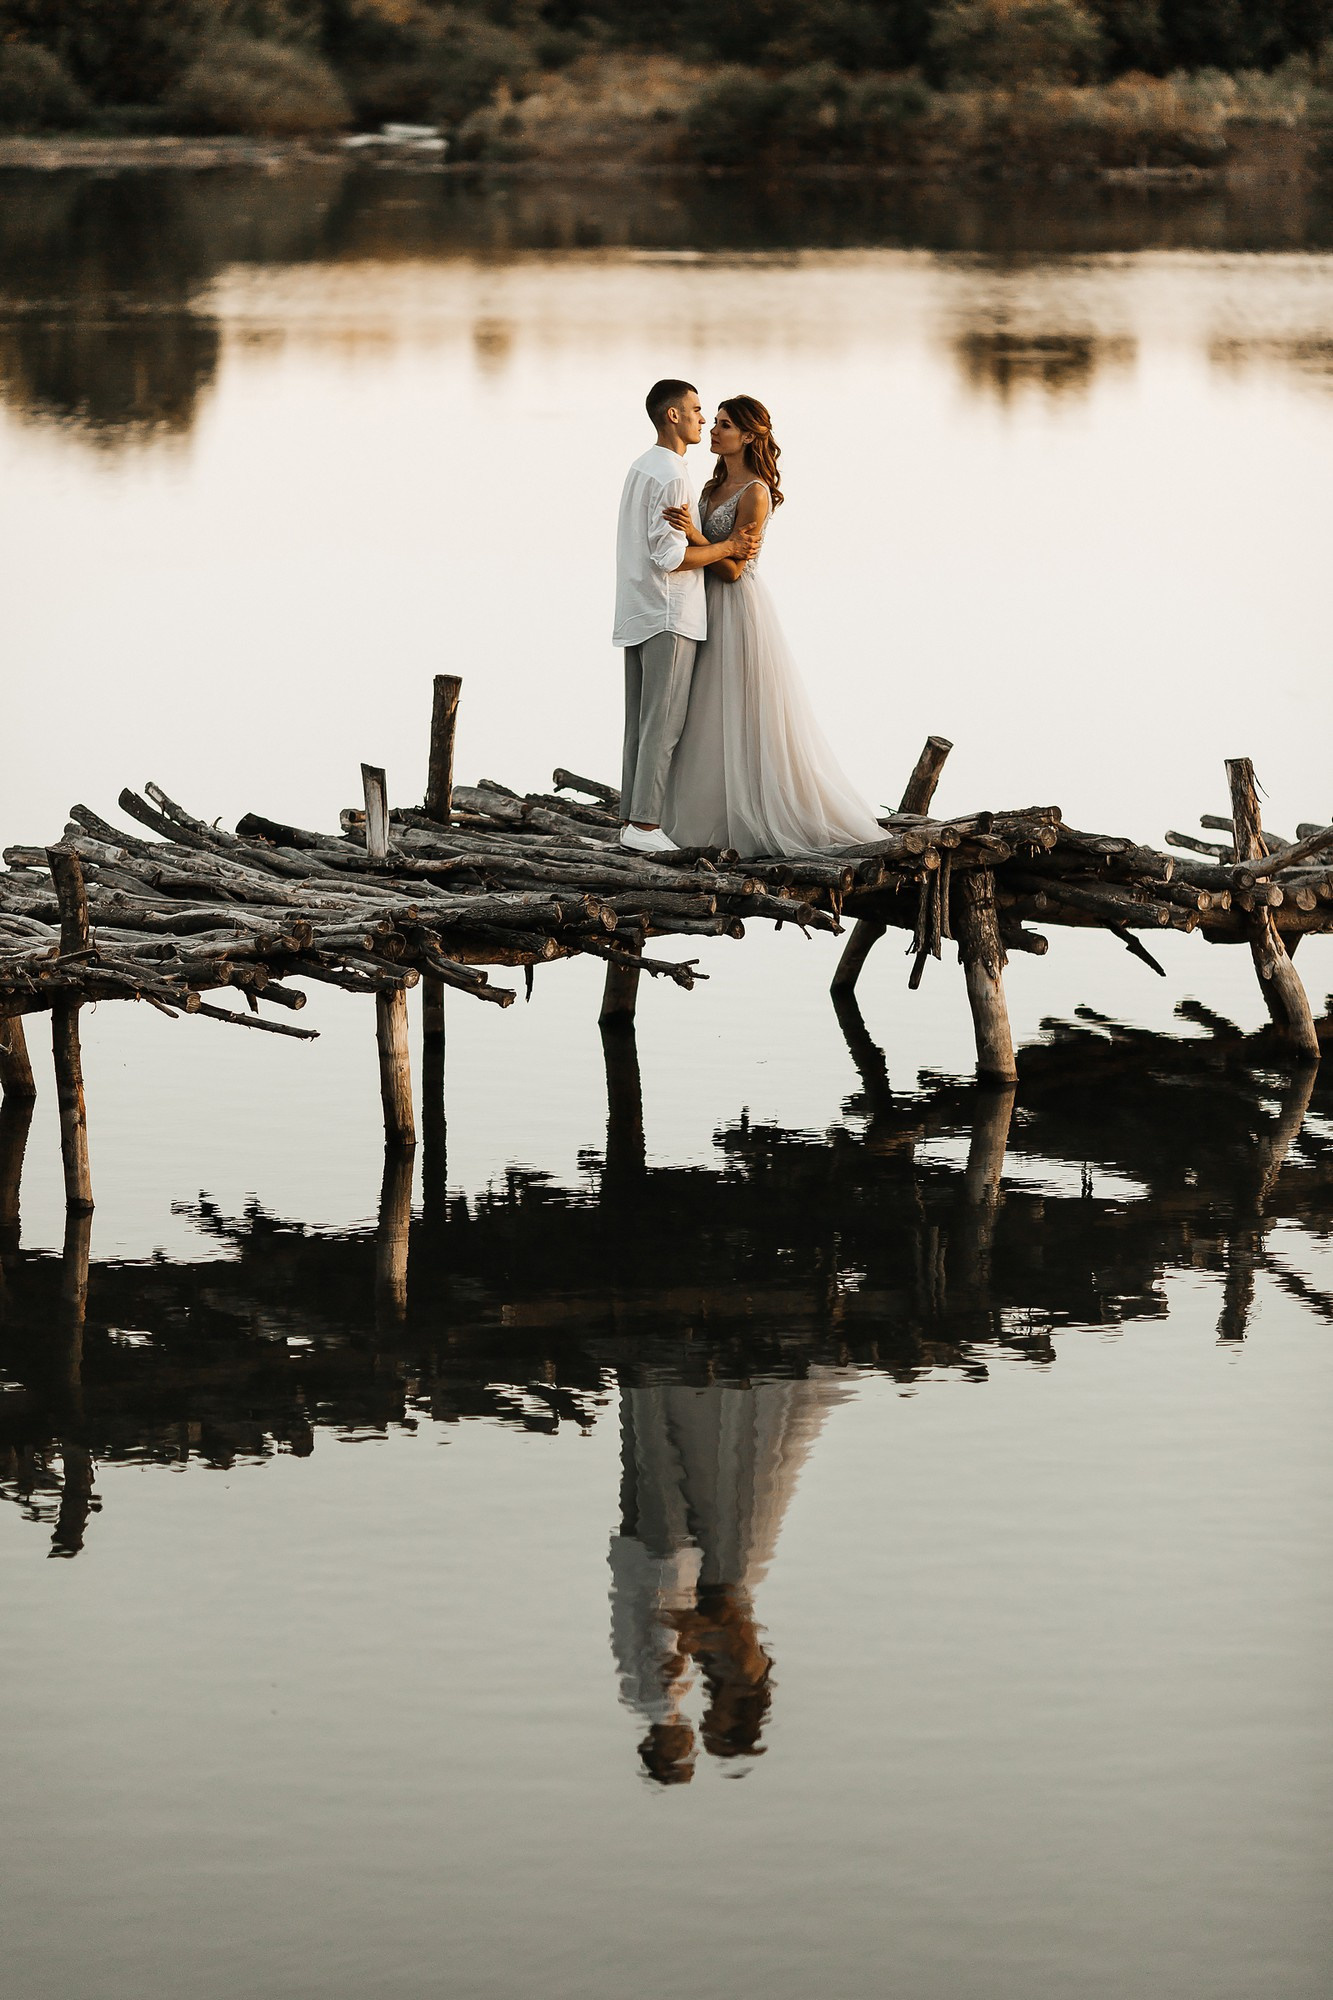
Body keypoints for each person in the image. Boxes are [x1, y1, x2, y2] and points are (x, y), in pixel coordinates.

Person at [660, 396, 884, 858]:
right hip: (701, 604)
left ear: (747, 437)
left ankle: (756, 816)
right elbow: (719, 553)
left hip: (736, 608)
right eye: (714, 422)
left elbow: (734, 570)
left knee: (738, 707)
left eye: (723, 425)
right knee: (704, 709)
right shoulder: (708, 487)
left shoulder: (756, 492)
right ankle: (704, 818)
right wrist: (706, 540)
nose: (713, 430)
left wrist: (699, 536)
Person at [613, 380, 761, 854]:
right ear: (673, 416)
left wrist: (713, 543)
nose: (703, 420)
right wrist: (729, 546)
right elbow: (669, 556)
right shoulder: (674, 474)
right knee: (664, 725)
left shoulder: (642, 466)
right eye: (698, 410)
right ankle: (645, 827)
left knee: (640, 721)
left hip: (638, 608)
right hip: (670, 612)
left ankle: (631, 822)